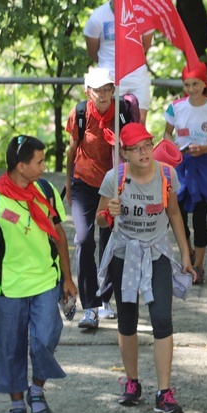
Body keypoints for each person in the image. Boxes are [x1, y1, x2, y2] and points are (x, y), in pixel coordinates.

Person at [0, 135, 77, 413]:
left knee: (44, 340)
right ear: (21, 166)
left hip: (46, 283)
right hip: (9, 288)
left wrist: (68, 278)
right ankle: (17, 406)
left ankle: (37, 392)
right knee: (11, 348)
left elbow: (59, 235)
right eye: (39, 162)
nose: (44, 166)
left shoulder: (46, 190)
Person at [95, 123, 197, 413]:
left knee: (162, 319)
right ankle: (132, 383)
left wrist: (186, 254)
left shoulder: (167, 174)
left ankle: (164, 393)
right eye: (137, 148)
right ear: (124, 152)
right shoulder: (115, 178)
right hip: (124, 253)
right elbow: (100, 222)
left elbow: (174, 212)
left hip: (156, 252)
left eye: (148, 145)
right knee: (126, 320)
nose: (144, 152)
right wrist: (107, 213)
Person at [65, 68, 118, 329]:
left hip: (111, 186)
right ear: (88, 91)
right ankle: (89, 307)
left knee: (109, 239)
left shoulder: (121, 114)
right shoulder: (80, 113)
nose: (104, 94)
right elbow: (72, 149)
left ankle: (105, 298)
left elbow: (133, 148)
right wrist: (67, 184)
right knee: (84, 240)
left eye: (108, 88)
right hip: (83, 183)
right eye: (98, 89)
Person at [163, 62, 207, 284]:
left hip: (204, 167)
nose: (191, 89)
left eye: (196, 84)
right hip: (180, 166)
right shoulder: (175, 107)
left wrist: (206, 148)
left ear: (204, 83)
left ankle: (199, 266)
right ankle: (186, 255)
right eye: (187, 84)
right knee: (178, 213)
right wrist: (174, 148)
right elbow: (167, 133)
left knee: (200, 217)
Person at [84, 0, 153, 124]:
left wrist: (131, 62)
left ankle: (134, 149)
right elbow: (92, 51)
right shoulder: (97, 18)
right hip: (110, 77)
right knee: (111, 123)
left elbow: (145, 45)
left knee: (139, 122)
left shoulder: (141, 14)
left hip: (137, 75)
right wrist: (110, 63)